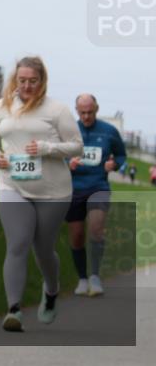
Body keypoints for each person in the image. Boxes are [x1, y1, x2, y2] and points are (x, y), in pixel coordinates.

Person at [0, 56, 83, 332]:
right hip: (11, 184)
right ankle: (13, 309)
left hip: (53, 190)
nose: (26, 86)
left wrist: (47, 148)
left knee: (43, 249)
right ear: (16, 80)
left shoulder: (57, 110)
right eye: (22, 80)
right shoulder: (0, 108)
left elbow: (76, 146)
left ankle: (51, 291)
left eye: (32, 81)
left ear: (42, 82)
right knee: (17, 243)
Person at [65, 94, 127, 297]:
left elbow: (121, 154)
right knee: (76, 236)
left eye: (90, 112)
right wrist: (68, 164)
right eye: (82, 112)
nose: (86, 116)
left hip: (98, 187)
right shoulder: (68, 131)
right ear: (76, 110)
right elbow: (56, 158)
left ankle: (95, 276)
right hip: (73, 189)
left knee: (96, 229)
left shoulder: (109, 131)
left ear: (97, 109)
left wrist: (115, 164)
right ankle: (82, 278)